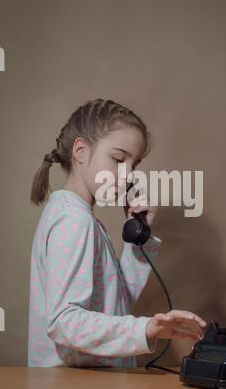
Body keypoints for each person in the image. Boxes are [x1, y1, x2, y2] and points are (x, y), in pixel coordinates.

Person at [28, 98, 207, 367]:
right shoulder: (74, 221)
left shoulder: (77, 215)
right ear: (81, 151)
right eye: (118, 159)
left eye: (133, 166)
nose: (127, 176)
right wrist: (144, 329)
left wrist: (139, 239)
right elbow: (63, 321)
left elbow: (116, 302)